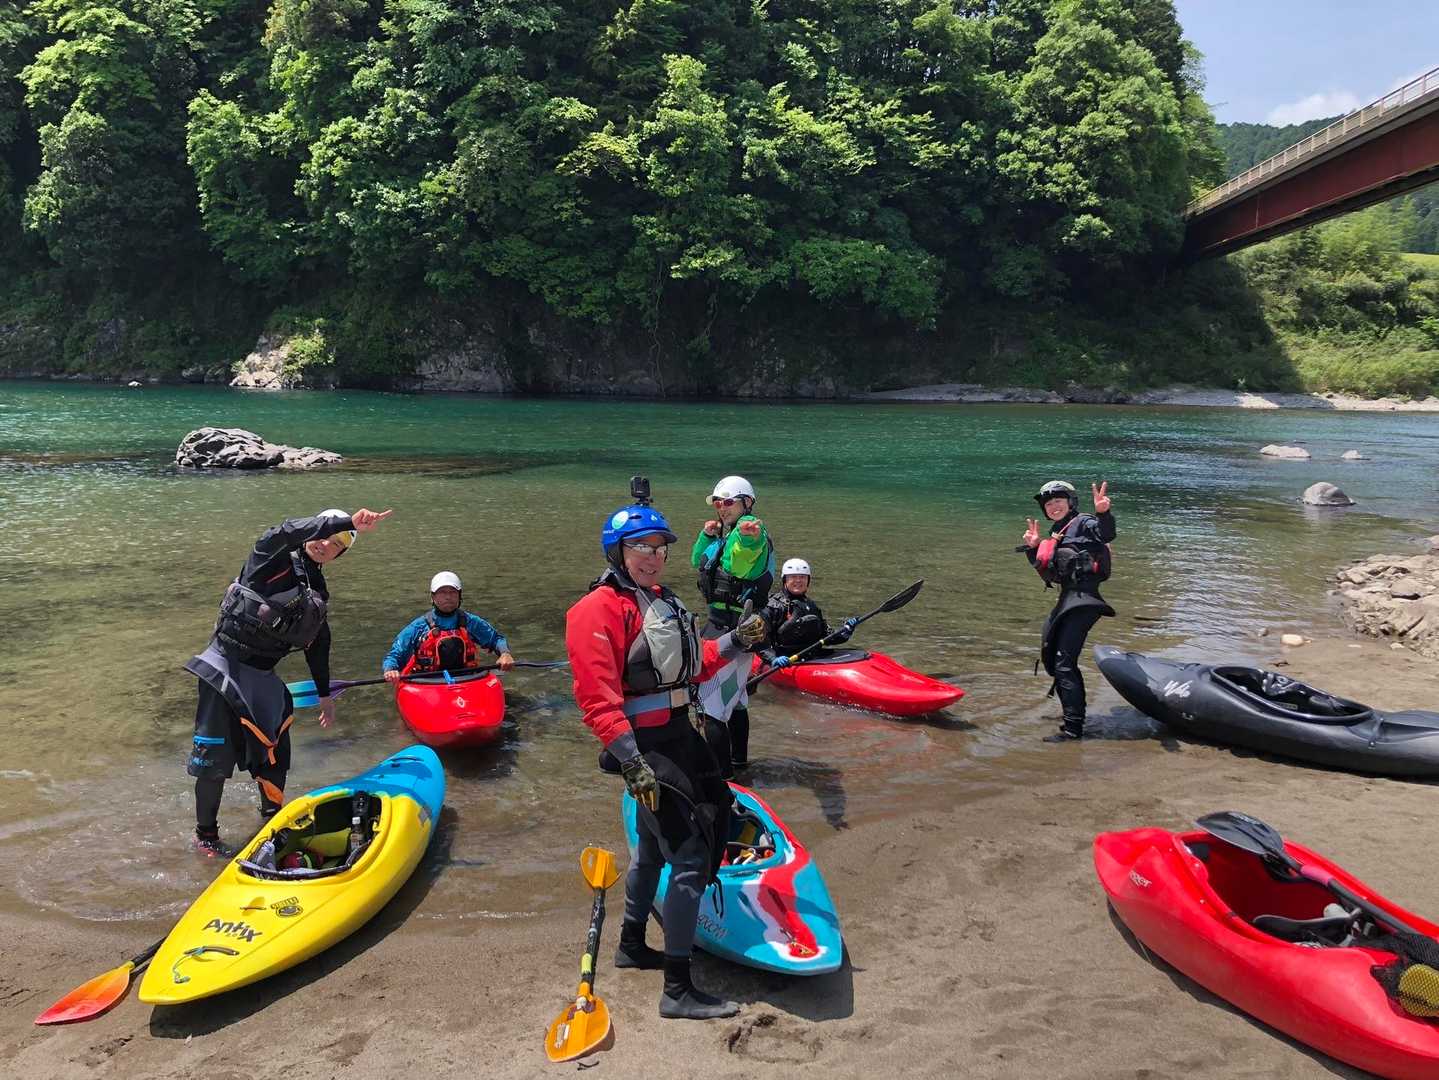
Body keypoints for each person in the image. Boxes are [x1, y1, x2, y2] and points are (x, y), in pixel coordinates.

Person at [566, 479, 769, 1020]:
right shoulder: (596, 610)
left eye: (659, 548)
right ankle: (677, 991)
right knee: (691, 854)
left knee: (656, 850)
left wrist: (737, 640)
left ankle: (632, 945)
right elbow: (596, 699)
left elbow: (694, 662)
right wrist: (632, 762)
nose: (653, 556)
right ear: (618, 553)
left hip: (682, 737)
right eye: (641, 547)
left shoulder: (663, 601)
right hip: (647, 746)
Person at [186, 507, 392, 856]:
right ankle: (206, 837)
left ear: (340, 554)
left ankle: (271, 825)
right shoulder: (272, 557)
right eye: (324, 535)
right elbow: (282, 531)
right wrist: (347, 522)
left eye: (338, 543)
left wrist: (324, 695)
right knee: (215, 761)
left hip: (263, 679)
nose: (326, 544)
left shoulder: (317, 590)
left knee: (276, 756)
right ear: (312, 531)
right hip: (224, 669)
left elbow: (319, 643)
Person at [1019, 480, 1115, 742]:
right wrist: (1033, 548)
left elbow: (1106, 534)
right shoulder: (1057, 532)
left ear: (1071, 502)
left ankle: (1073, 728)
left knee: (1064, 663)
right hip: (1067, 600)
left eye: (1058, 501)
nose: (1053, 506)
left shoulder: (1084, 522)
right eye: (1049, 504)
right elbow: (1050, 573)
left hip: (1084, 601)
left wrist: (1104, 513)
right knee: (1051, 657)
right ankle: (1071, 713)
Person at [691, 475, 775, 770]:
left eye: (728, 502)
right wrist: (707, 537)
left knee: (709, 707)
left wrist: (748, 539)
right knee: (737, 700)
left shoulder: (750, 534)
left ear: (747, 503)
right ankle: (740, 763)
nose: (721, 507)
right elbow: (698, 561)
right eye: (717, 502)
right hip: (730, 629)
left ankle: (723, 778)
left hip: (732, 632)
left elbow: (738, 564)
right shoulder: (725, 537)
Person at [381, 571, 515, 681]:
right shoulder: (418, 627)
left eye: (453, 592)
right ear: (433, 597)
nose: (448, 597)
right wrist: (390, 670)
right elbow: (395, 655)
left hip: (466, 679)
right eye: (442, 592)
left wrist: (505, 653)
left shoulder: (470, 622)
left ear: (459, 596)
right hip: (427, 682)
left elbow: (496, 639)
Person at [761, 558, 858, 658]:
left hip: (810, 657)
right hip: (783, 658)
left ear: (808, 581)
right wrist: (772, 658)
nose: (798, 580)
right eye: (793, 577)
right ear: (785, 580)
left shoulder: (811, 606)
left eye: (802, 577)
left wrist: (846, 631)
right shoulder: (772, 606)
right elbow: (759, 640)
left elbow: (826, 637)